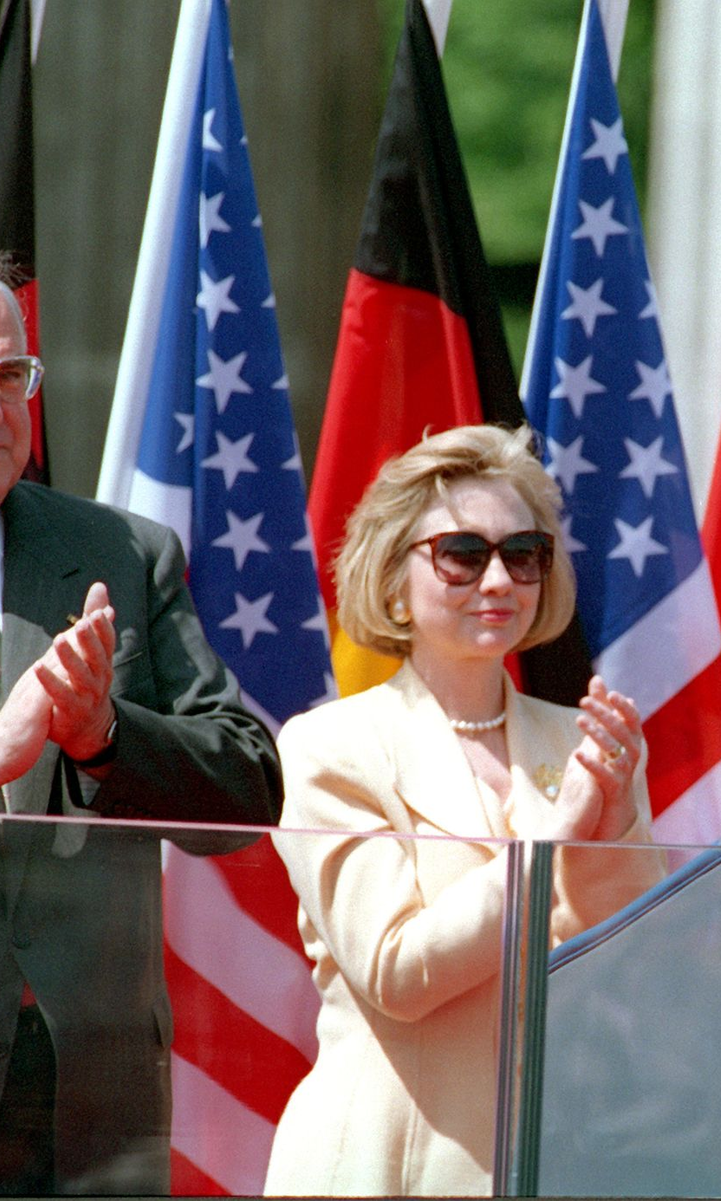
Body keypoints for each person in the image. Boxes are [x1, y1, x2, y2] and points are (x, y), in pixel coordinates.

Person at [264, 424, 662, 1197]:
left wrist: (609, 833)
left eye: (523, 554)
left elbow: (634, 971)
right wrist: (546, 839)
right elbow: (398, 970)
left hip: (553, 1161)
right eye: (462, 554)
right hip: (385, 1170)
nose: (498, 580)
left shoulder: (580, 737)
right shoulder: (330, 745)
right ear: (392, 580)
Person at [0, 279, 283, 1194]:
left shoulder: (124, 551)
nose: (0, 405)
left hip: (89, 1103)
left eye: (10, 375)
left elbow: (248, 785)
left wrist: (106, 737)